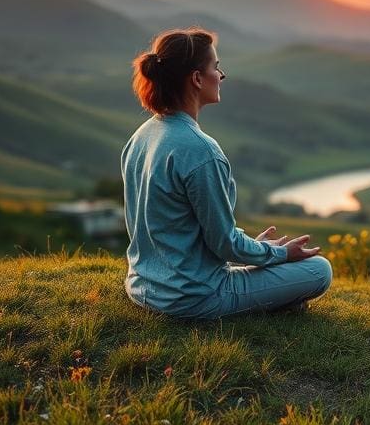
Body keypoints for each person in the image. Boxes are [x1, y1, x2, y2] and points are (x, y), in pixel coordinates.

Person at [121, 26, 332, 319]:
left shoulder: (142, 136)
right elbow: (224, 243)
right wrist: (281, 254)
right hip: (195, 297)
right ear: (197, 79)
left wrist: (257, 249)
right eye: (216, 68)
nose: (221, 76)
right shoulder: (201, 151)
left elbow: (178, 229)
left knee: (263, 260)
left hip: (144, 287)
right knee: (319, 270)